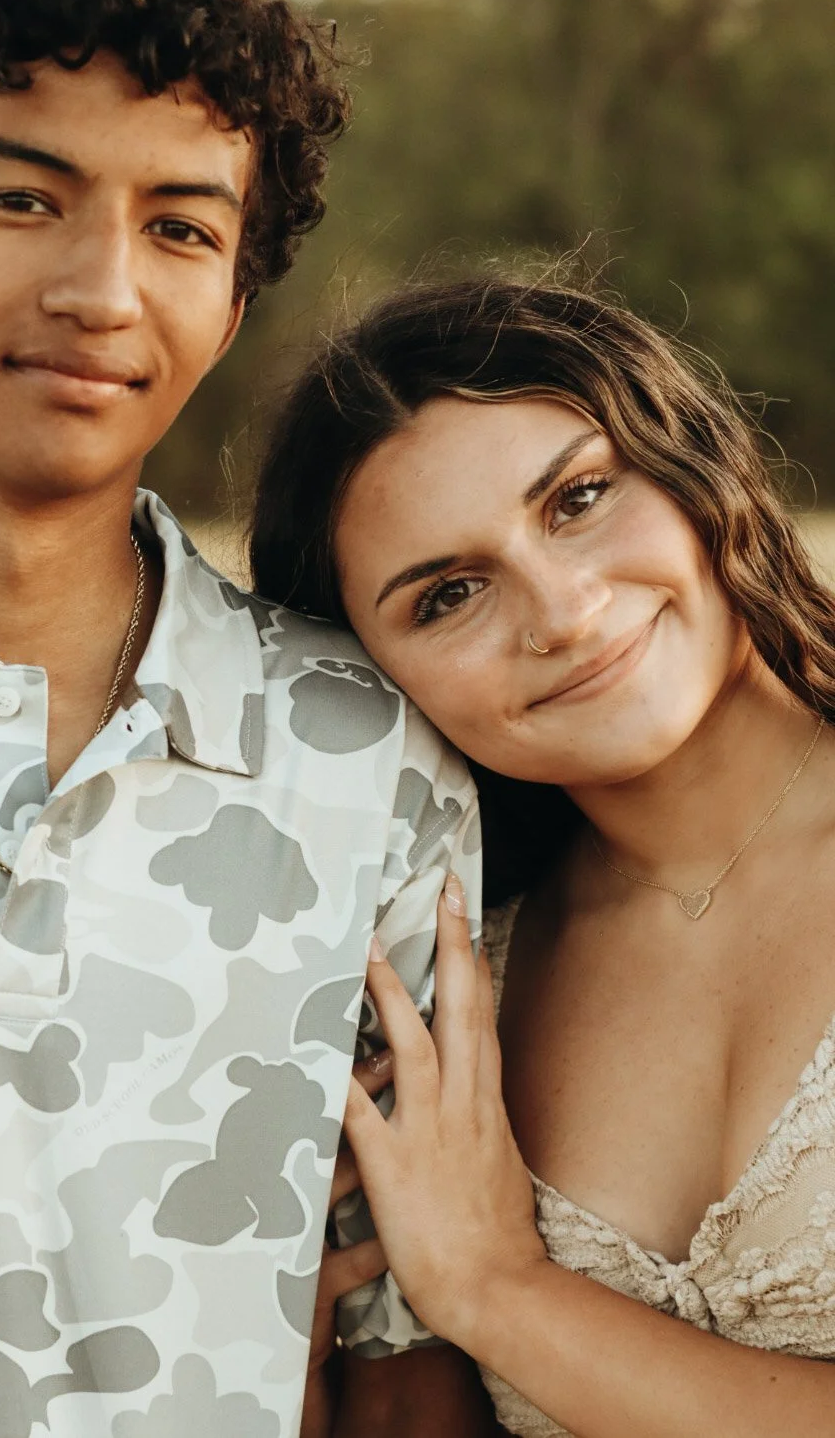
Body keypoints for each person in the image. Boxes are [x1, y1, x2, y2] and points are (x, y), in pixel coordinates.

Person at [0, 0, 485, 1437]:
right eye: (25, 200)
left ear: (230, 302)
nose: (103, 290)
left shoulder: (368, 759)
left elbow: (402, 1353)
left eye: (181, 228)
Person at [250, 276, 835, 1436]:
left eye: (577, 499)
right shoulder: (445, 984)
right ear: (376, 683)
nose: (561, 611)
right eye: (449, 594)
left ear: (690, 462)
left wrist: (497, 1293)